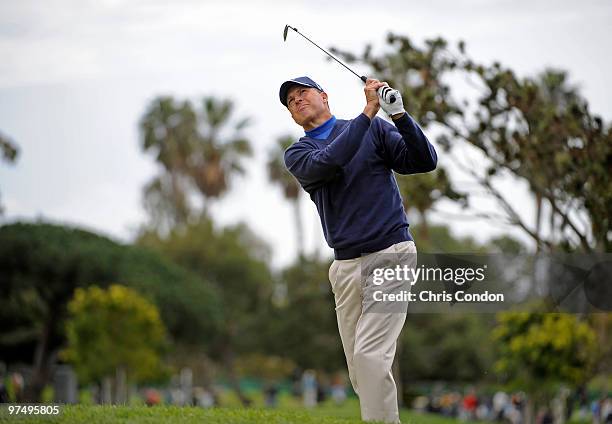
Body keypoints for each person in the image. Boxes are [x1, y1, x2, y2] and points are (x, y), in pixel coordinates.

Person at [279, 76, 437, 423]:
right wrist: (369, 110)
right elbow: (333, 160)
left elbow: (424, 160)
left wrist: (400, 116)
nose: (296, 100)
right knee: (360, 370)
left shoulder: (375, 130)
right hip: (346, 268)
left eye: (302, 92)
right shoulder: (299, 154)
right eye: (290, 101)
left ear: (324, 96)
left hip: (391, 253)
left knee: (370, 356)